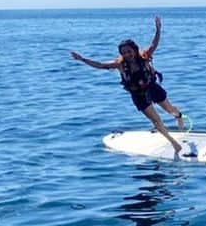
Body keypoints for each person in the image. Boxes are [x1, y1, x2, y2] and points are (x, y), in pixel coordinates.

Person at [70, 14, 188, 155]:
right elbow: (100, 65)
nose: (127, 54)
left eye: (129, 51)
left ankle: (178, 115)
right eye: (124, 52)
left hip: (152, 87)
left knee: (170, 109)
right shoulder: (120, 65)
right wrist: (83, 59)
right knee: (156, 120)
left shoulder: (144, 57)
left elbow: (154, 44)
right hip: (138, 95)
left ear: (134, 49)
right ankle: (174, 143)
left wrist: (158, 29)